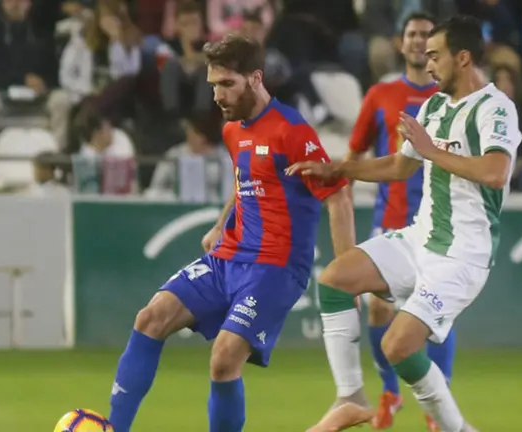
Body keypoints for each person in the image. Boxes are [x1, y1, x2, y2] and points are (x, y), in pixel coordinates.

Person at [106, 34, 354, 432]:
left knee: (223, 359)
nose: (218, 95)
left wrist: (348, 274)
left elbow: (339, 197)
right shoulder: (233, 130)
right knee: (151, 318)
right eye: (213, 85)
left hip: (275, 267)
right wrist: (222, 223)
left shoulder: (292, 130)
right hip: (227, 259)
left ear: (255, 78)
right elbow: (247, 181)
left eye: (227, 84)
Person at [291, 15, 521, 432]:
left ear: (463, 57)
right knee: (335, 278)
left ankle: (456, 428)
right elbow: (400, 167)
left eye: (436, 56)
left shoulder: (495, 107)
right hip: (420, 238)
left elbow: (495, 172)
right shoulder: (432, 106)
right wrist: (339, 169)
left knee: (399, 345)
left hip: (463, 255)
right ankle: (350, 397)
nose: (427, 63)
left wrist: (431, 150)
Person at [315, 11, 455, 432]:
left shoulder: (450, 99)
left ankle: (437, 405)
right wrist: (337, 181)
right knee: (378, 310)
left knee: (436, 316)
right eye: (412, 34)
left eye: (426, 36)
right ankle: (390, 390)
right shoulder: (381, 94)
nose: (418, 42)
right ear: (400, 43)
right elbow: (355, 154)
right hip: (390, 219)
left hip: (440, 223)